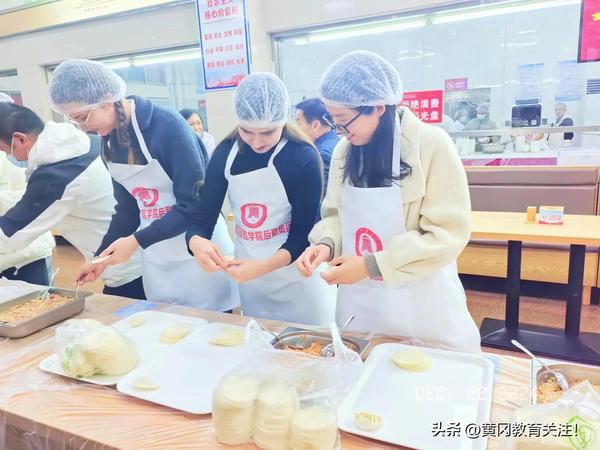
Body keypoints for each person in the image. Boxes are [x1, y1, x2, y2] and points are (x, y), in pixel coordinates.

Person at [296, 51, 480, 353]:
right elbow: (335, 215)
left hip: (422, 303)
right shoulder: (344, 151)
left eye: (344, 121)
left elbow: (447, 234)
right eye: (334, 121)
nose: (340, 131)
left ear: (378, 107)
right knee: (362, 366)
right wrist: (326, 244)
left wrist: (371, 264)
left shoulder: (429, 145)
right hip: (361, 304)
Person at [48, 59, 236, 310]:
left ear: (106, 99)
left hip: (199, 251)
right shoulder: (110, 141)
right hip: (158, 255)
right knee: (167, 323)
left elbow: (195, 204)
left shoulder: (166, 125)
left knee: (212, 326)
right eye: (75, 121)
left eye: (84, 117)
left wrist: (136, 240)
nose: (84, 128)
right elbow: (127, 210)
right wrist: (99, 258)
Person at [186, 72, 336, 325]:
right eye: (247, 131)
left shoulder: (302, 157)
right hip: (253, 285)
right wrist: (196, 242)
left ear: (283, 121)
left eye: (267, 132)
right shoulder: (225, 153)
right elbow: (203, 217)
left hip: (299, 282)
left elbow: (302, 236)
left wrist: (261, 268)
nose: (256, 142)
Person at [0, 102, 143, 297]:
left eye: (6, 149)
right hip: (131, 252)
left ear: (20, 139)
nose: (9, 155)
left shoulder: (57, 174)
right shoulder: (84, 143)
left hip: (127, 268)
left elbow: (10, 235)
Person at [294, 98, 339, 189]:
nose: (295, 128)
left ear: (315, 125)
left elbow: (319, 193)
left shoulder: (321, 155)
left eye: (299, 123)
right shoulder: (337, 141)